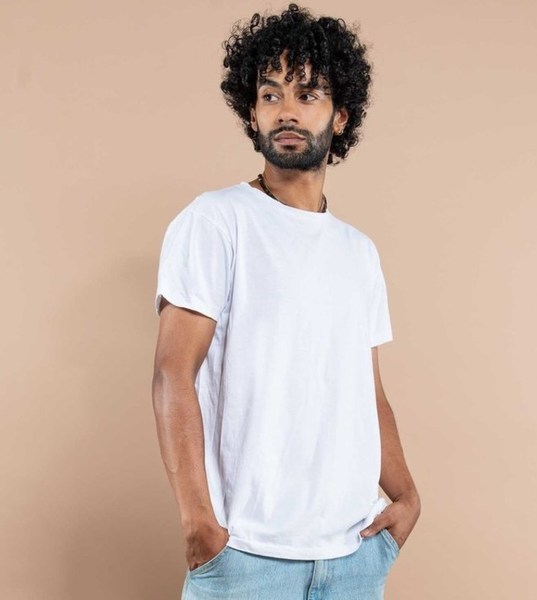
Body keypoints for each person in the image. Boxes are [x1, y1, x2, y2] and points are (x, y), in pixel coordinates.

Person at [152, 4, 420, 598]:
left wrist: (406, 496)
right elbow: (173, 373)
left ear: (340, 115)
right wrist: (199, 526)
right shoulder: (216, 221)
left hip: (353, 556)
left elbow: (367, 391)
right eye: (270, 95)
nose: (287, 111)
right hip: (247, 558)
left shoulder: (358, 251)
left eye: (307, 94)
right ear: (252, 112)